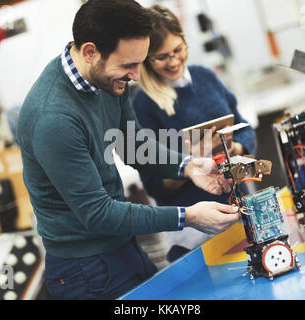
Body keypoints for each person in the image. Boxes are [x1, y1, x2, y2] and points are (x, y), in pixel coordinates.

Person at [16, 0, 239, 300]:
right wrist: (188, 216)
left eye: (139, 63)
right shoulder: (53, 119)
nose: (136, 75)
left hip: (124, 247)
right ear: (90, 52)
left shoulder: (108, 80)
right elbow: (97, 214)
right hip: (86, 269)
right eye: (127, 65)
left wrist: (188, 166)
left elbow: (134, 146)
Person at [132, 5, 257, 261]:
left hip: (239, 213)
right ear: (146, 59)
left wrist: (236, 149)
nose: (174, 60)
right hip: (193, 236)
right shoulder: (143, 105)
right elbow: (155, 185)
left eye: (178, 49)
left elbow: (245, 129)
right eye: (161, 56)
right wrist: (191, 160)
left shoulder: (205, 78)